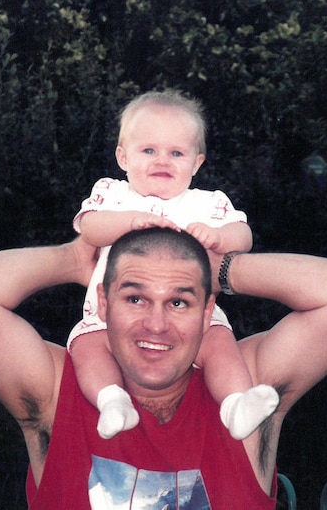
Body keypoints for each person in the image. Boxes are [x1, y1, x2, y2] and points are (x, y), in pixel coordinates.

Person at [0, 228, 327, 508]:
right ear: (103, 305)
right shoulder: (59, 390)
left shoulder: (243, 389)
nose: (157, 324)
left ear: (207, 314)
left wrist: (219, 269)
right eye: (135, 298)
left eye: (180, 302)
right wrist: (76, 262)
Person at [70, 90, 278, 441]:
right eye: (148, 150)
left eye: (176, 153)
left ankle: (236, 406)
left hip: (193, 317)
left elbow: (243, 234)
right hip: (110, 315)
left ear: (196, 163)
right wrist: (130, 221)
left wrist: (217, 236)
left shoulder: (206, 203)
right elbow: (89, 226)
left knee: (220, 343)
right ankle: (112, 402)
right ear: (123, 157)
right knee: (88, 347)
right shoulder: (115, 194)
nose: (162, 160)